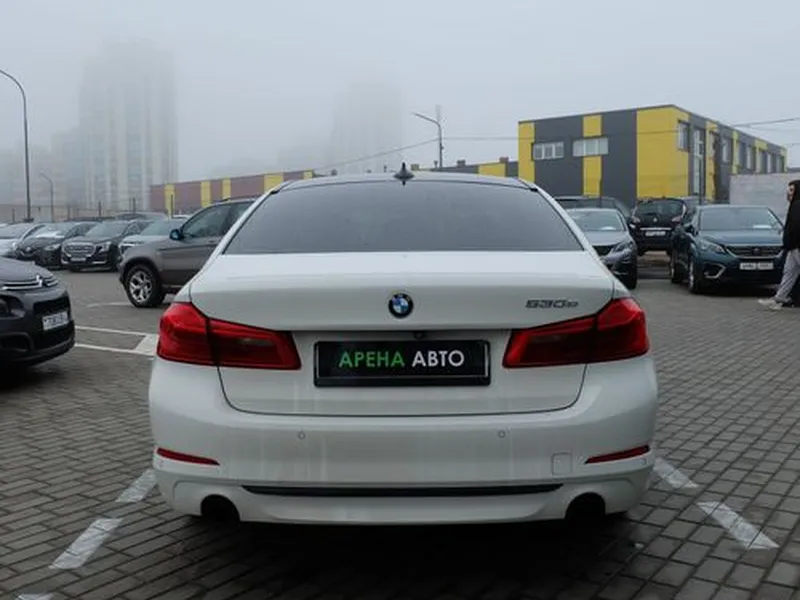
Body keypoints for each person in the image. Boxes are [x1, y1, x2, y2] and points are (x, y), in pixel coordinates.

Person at [759, 179, 800, 310]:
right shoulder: (795, 204)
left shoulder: (797, 205)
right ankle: (779, 299)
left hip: (796, 246)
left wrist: (790, 242)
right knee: (789, 273)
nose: (789, 193)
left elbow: (795, 227)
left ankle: (779, 299)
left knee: (789, 273)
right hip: (792, 247)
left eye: (792, 190)